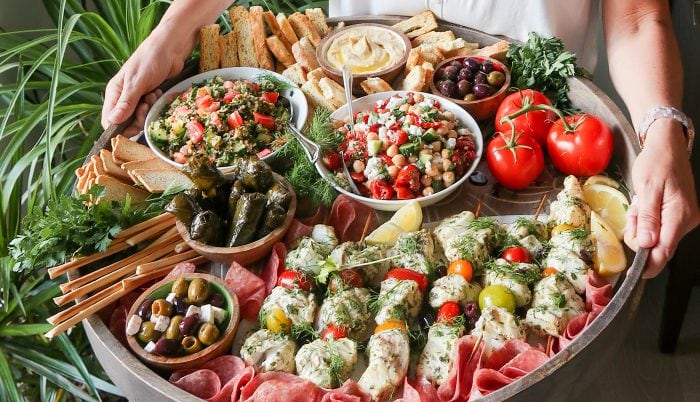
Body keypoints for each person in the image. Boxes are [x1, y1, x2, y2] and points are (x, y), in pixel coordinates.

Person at [101, 0, 700, 279]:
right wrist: (171, 34)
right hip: (364, 111)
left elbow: (640, 16)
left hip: (531, 130)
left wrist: (664, 126)